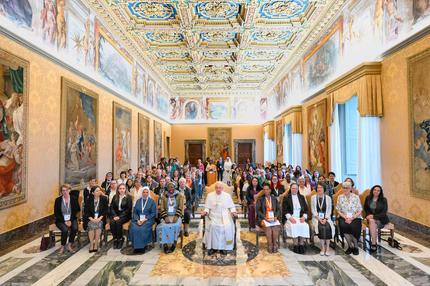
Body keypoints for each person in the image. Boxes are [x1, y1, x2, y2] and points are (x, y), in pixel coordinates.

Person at [202, 181, 237, 255]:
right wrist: (205, 212)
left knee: (226, 226)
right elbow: (207, 207)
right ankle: (213, 247)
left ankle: (223, 248)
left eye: (220, 188)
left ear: (223, 188)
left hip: (225, 216)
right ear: (215, 188)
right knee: (213, 226)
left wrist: (233, 212)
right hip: (213, 216)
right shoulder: (210, 195)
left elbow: (232, 206)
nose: (218, 189)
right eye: (217, 188)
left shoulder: (227, 196)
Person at [157, 182, 184, 254]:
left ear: (175, 187)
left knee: (175, 226)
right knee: (164, 226)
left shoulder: (179, 195)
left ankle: (174, 243)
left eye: (172, 187)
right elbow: (162, 208)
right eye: (169, 187)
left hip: (176, 215)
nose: (171, 188)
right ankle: (165, 244)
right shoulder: (164, 196)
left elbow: (181, 207)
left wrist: (176, 216)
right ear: (167, 188)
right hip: (166, 215)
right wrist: (165, 217)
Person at [282, 183, 310, 254]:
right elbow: (284, 210)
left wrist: (304, 217)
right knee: (293, 225)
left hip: (300, 217)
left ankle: (301, 244)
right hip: (290, 217)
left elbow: (306, 209)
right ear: (290, 189)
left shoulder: (302, 197)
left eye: (296, 188)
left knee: (304, 225)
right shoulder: (286, 197)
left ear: (298, 189)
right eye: (293, 188)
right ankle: (295, 245)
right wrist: (290, 218)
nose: (294, 190)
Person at [336, 182, 362, 255]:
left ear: (350, 188)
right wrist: (345, 217)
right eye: (344, 187)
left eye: (347, 187)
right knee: (344, 226)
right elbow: (338, 210)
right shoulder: (340, 197)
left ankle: (356, 247)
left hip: (355, 217)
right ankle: (350, 246)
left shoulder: (356, 197)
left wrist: (352, 218)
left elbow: (360, 210)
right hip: (343, 217)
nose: (345, 189)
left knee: (353, 227)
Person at [129, 187, 157, 253]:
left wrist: (145, 219)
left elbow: (153, 213)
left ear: (148, 193)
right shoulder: (138, 201)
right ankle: (135, 246)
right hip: (138, 219)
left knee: (142, 228)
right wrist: (137, 219)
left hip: (148, 219)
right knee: (134, 227)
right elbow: (135, 212)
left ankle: (143, 246)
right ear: (141, 193)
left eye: (147, 192)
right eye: (144, 192)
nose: (145, 194)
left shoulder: (152, 201)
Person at [54, 184, 80, 254]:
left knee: (75, 228)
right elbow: (56, 213)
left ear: (69, 190)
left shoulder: (73, 199)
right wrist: (65, 221)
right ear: (61, 191)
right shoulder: (58, 200)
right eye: (63, 190)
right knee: (65, 230)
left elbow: (77, 210)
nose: (65, 192)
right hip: (61, 220)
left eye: (66, 190)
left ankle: (69, 245)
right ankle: (62, 246)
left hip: (72, 218)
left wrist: (70, 220)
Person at [311, 182, 334, 256]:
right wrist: (319, 219)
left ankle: (327, 248)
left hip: (326, 217)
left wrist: (326, 219)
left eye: (321, 187)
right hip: (316, 217)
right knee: (321, 227)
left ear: (324, 189)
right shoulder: (313, 197)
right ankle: (322, 248)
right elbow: (313, 210)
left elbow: (330, 210)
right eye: (318, 187)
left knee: (327, 227)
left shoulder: (328, 198)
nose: (319, 189)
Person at [256, 183, 281, 253]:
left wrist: (276, 216)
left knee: (275, 227)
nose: (266, 191)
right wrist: (264, 217)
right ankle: (270, 245)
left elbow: (278, 209)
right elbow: (258, 211)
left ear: (270, 190)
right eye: (264, 190)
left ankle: (275, 244)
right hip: (264, 218)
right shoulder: (260, 199)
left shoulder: (274, 199)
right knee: (269, 228)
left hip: (273, 218)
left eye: (267, 189)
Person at [364, 185, 389, 252]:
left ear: (380, 192)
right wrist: (368, 215)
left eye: (378, 190)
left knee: (372, 222)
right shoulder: (368, 198)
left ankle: (374, 243)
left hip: (381, 219)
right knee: (372, 222)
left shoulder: (384, 200)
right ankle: (374, 243)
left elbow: (384, 212)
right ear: (372, 190)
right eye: (375, 190)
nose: (376, 191)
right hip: (370, 218)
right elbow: (366, 208)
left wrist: (373, 217)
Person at [84, 186, 108, 252]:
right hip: (90, 218)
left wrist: (100, 218)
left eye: (100, 190)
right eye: (97, 191)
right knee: (91, 225)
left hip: (101, 218)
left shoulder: (104, 198)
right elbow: (86, 211)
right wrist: (92, 219)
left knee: (98, 225)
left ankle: (96, 243)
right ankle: (91, 244)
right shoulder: (88, 199)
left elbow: (106, 210)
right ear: (92, 193)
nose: (99, 192)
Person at [109, 183, 132, 249]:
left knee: (118, 222)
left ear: (125, 189)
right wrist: (115, 215)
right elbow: (112, 207)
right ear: (118, 189)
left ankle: (120, 239)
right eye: (120, 188)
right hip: (116, 214)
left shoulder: (128, 197)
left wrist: (120, 216)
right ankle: (115, 239)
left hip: (125, 215)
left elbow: (128, 209)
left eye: (123, 188)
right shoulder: (115, 196)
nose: (122, 190)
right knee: (112, 222)